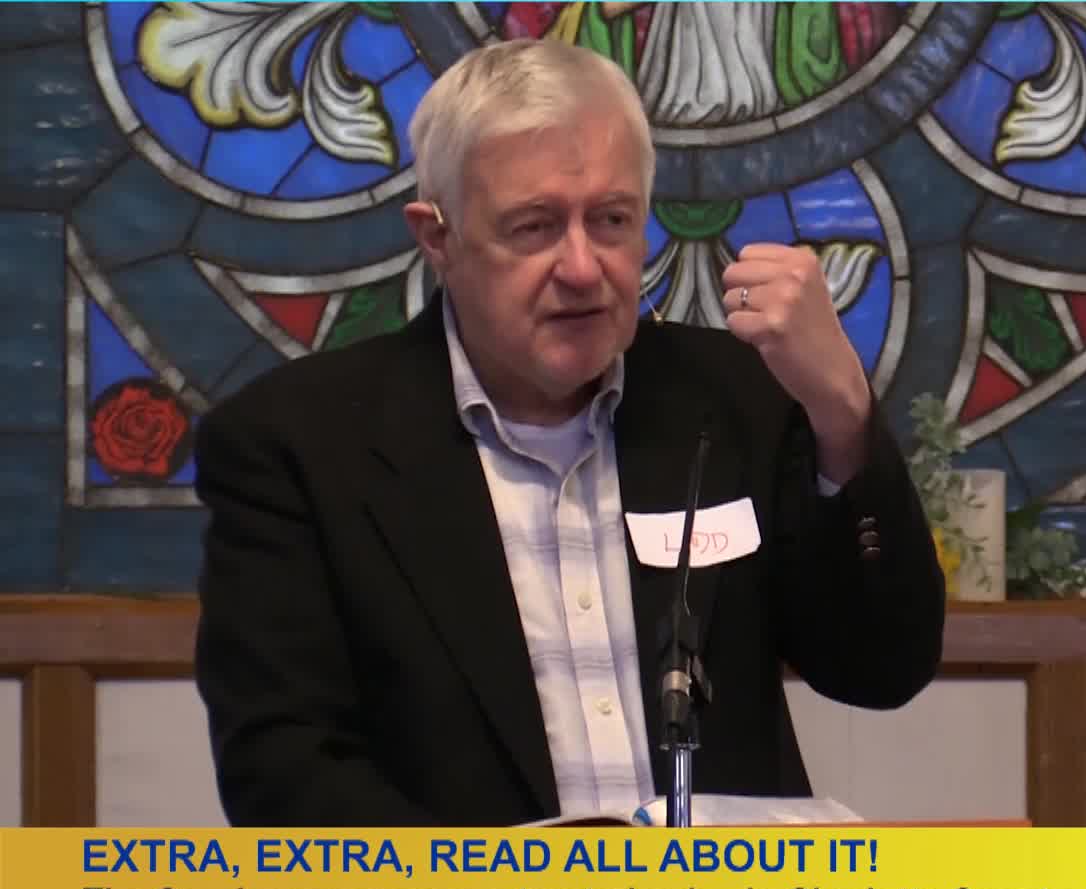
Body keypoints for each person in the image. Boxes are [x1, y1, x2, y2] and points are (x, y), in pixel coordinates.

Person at [192, 39, 946, 826]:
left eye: (611, 221)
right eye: (535, 227)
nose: (584, 268)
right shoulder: (300, 445)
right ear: (437, 238)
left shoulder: (732, 397)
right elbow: (282, 772)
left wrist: (842, 409)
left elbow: (880, 667)